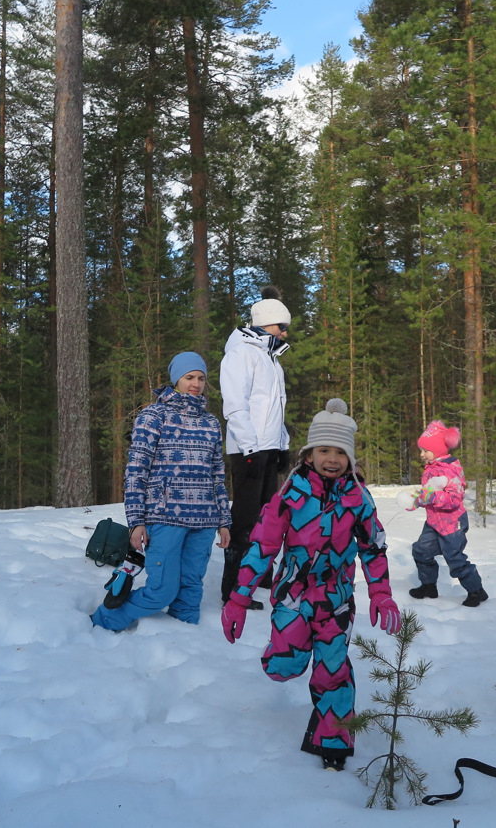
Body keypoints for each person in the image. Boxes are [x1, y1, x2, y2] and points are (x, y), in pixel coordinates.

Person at [221, 399, 400, 772]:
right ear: (310, 453)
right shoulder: (290, 494)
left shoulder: (358, 499)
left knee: (333, 669)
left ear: (350, 457)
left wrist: (381, 593)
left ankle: (332, 739)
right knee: (283, 667)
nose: (331, 459)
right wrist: (239, 598)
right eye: (324, 450)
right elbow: (263, 546)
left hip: (335, 601)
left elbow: (373, 548)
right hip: (293, 598)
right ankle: (284, 654)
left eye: (339, 452)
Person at [90, 352, 231, 632]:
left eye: (201, 378)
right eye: (190, 377)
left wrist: (224, 521)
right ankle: (104, 621)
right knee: (162, 591)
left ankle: (182, 645)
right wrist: (136, 521)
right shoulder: (154, 415)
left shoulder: (211, 423)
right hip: (164, 517)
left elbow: (218, 474)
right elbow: (136, 470)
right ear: (176, 378)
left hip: (203, 521)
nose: (196, 383)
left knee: (191, 591)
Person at [219, 286, 292, 610]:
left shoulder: (271, 358)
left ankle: (260, 574)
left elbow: (276, 407)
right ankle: (233, 587)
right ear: (265, 324)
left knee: (268, 518)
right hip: (248, 450)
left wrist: (282, 445)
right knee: (245, 520)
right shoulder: (241, 353)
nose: (286, 331)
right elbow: (235, 406)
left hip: (268, 448)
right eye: (281, 326)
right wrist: (250, 449)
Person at [406, 420, 487, 607]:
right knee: (421, 551)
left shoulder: (450, 470)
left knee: (454, 557)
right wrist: (417, 500)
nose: (422, 454)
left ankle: (477, 591)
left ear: (438, 450)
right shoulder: (432, 468)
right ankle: (428, 586)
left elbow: (453, 499)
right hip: (434, 522)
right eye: (421, 450)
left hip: (452, 523)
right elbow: (429, 493)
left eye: (426, 450)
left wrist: (432, 497)